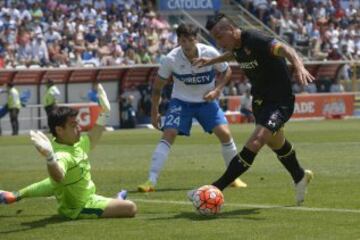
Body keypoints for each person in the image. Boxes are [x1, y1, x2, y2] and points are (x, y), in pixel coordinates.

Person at [191, 13, 314, 206]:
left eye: (218, 37)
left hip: (280, 102)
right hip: (260, 102)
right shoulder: (237, 45)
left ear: (230, 30)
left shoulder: (256, 39)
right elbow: (235, 54)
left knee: (256, 141)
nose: (218, 42)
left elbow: (286, 49)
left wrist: (298, 66)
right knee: (276, 143)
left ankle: (214, 188)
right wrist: (210, 62)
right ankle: (300, 176)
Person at [0, 84, 137, 219]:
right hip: (80, 207)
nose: (79, 128)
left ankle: (14, 195)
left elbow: (92, 138)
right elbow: (58, 176)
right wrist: (50, 158)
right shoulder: (61, 155)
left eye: (77, 123)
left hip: (87, 195)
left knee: (58, 184)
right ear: (60, 130)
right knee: (130, 207)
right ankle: (118, 201)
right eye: (73, 125)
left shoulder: (74, 142)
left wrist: (105, 113)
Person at [137, 23, 246, 192]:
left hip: (206, 102)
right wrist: (154, 112)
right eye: (182, 40)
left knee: (225, 134)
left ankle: (233, 177)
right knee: (169, 134)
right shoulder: (170, 59)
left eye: (189, 40)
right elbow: (157, 87)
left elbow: (227, 71)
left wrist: (217, 90)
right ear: (178, 40)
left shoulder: (209, 53)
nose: (186, 44)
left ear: (196, 39)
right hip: (181, 102)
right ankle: (150, 181)